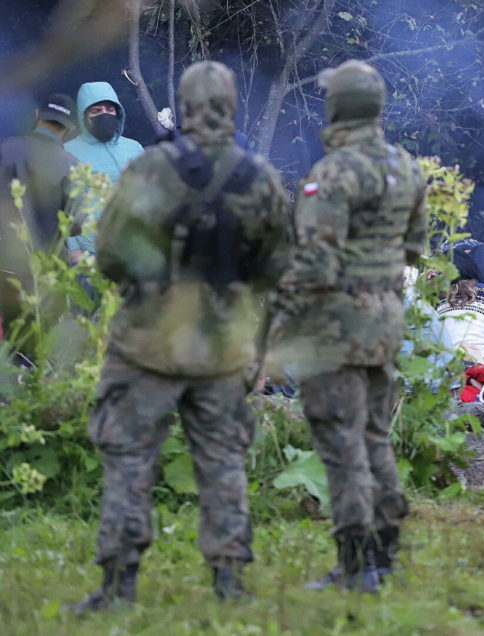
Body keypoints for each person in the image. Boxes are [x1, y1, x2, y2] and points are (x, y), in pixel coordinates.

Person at [69, 61, 291, 613]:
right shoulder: (258, 176)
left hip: (148, 342)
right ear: (230, 106)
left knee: (128, 458)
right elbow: (277, 268)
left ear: (186, 107)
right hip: (222, 346)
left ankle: (119, 586)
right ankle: (229, 583)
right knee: (221, 461)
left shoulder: (150, 169)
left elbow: (111, 253)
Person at [273, 60, 427, 594]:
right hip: (385, 320)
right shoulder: (407, 167)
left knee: (342, 445)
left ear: (338, 106)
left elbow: (314, 265)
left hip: (337, 326)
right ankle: (385, 551)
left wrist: (277, 329)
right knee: (375, 436)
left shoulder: (332, 173)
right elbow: (413, 247)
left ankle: (356, 563)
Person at [0, 94, 79, 333]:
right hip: (45, 270)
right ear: (71, 128)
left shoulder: (5, 148)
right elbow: (77, 223)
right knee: (38, 341)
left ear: (37, 116)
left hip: (4, 264)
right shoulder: (71, 164)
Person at [64, 81, 144, 259]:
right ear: (84, 116)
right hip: (92, 250)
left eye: (109, 109)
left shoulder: (134, 147)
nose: (104, 114)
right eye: (96, 111)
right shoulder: (68, 151)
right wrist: (74, 248)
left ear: (118, 112)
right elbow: (66, 204)